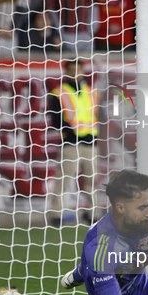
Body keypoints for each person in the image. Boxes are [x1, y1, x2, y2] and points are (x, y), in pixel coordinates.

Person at [47, 60, 99, 227]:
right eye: (71, 70)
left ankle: (93, 213)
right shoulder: (58, 92)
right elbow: (55, 119)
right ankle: (56, 214)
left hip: (90, 142)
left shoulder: (92, 92)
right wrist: (70, 130)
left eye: (77, 69)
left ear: (83, 71)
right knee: (63, 180)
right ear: (66, 72)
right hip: (70, 142)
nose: (75, 73)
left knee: (92, 181)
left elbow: (99, 115)